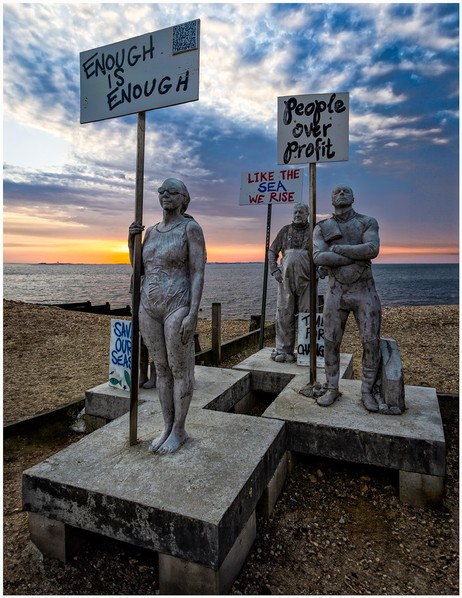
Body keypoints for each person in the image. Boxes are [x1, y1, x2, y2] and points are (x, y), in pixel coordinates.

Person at [128, 178, 206, 454]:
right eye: (162, 191)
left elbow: (197, 272)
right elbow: (139, 269)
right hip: (149, 305)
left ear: (184, 198)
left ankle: (179, 430)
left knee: (179, 369)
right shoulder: (151, 231)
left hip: (178, 303)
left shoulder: (190, 229)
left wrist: (193, 313)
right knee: (161, 368)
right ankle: (167, 426)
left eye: (173, 192)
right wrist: (132, 242)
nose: (166, 196)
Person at [313, 185, 381, 411]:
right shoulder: (322, 227)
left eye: (346, 191)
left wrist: (339, 249)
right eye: (337, 192)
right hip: (336, 292)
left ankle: (367, 391)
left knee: (371, 342)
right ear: (331, 199)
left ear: (354, 197)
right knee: (330, 342)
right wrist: (355, 256)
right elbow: (319, 257)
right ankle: (332, 388)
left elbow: (372, 249)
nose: (341, 194)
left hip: (364, 290)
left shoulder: (367, 222)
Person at [268, 203, 312, 363]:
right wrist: (274, 270)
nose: (297, 214)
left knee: (307, 315)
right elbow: (272, 251)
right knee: (284, 313)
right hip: (285, 280)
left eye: (301, 212)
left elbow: (323, 251)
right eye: (295, 212)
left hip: (308, 281)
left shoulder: (314, 231)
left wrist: (322, 269)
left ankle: (307, 351)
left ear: (307, 214)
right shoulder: (285, 230)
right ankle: (283, 350)